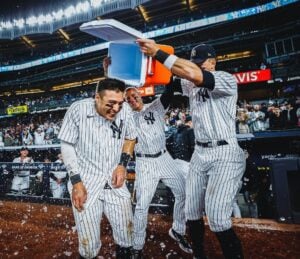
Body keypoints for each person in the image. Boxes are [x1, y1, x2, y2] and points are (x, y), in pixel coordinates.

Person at [136, 39, 246, 259]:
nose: (196, 65)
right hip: (200, 153)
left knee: (217, 220)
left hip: (224, 153)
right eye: (194, 61)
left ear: (213, 62)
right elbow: (169, 80)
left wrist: (157, 52)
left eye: (200, 62)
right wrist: (140, 65)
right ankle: (199, 255)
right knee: (191, 212)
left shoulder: (226, 79)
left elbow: (194, 75)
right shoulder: (189, 83)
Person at [58, 78, 137, 259]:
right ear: (97, 98)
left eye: (120, 103)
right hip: (85, 182)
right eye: (110, 104)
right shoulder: (78, 109)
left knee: (127, 235)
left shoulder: (125, 111)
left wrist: (122, 165)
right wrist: (76, 182)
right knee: (88, 245)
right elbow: (67, 146)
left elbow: (130, 138)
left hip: (114, 181)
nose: (116, 109)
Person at [122, 85, 192, 257]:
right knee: (141, 206)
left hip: (164, 157)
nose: (132, 99)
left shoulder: (155, 106)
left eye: (134, 95)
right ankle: (137, 247)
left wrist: (168, 74)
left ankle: (177, 230)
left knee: (183, 193)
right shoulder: (125, 117)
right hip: (144, 162)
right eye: (128, 98)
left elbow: (168, 92)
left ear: (140, 94)